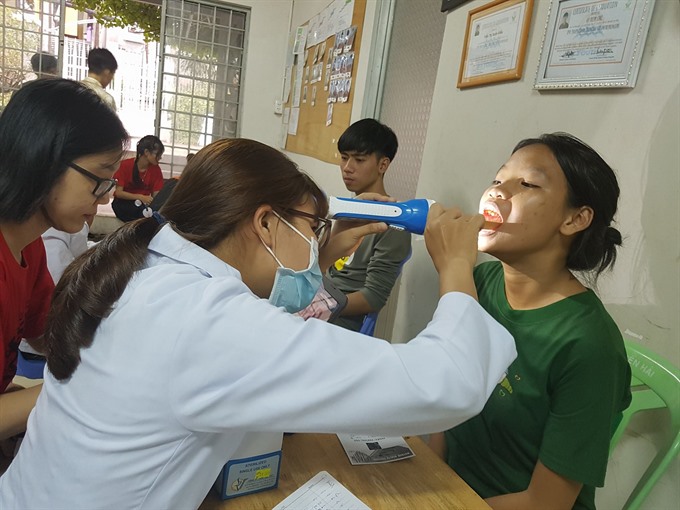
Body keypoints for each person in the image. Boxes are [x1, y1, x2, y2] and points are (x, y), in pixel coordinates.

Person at [0, 137, 517, 509]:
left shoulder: (147, 267)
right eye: (313, 229)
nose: (317, 242)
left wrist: (318, 251)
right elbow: (444, 384)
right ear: (266, 222)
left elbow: (255, 334)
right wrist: (455, 268)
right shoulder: (204, 322)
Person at [429, 133, 632, 510]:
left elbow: (546, 503)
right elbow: (446, 392)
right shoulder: (480, 281)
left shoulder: (589, 344)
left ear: (575, 218)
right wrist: (430, 478)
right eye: (497, 179)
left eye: (527, 184)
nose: (496, 193)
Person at [0, 79, 127, 445]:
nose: (103, 200)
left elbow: (48, 335)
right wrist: (82, 391)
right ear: (46, 160)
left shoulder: (29, 249)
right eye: (99, 179)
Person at [326, 118, 412, 331]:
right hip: (322, 301)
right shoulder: (345, 208)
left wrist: (322, 305)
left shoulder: (395, 223)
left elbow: (372, 297)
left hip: (340, 320)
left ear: (383, 164)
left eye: (359, 160)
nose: (347, 168)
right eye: (344, 158)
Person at [111, 135, 165, 222]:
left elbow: (157, 195)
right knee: (137, 209)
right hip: (124, 203)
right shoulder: (125, 165)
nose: (160, 158)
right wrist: (140, 197)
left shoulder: (156, 170)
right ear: (146, 152)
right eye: (157, 154)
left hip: (144, 205)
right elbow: (118, 193)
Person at [80, 47, 118, 112]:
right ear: (107, 72)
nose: (112, 78)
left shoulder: (71, 89)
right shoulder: (105, 99)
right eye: (113, 73)